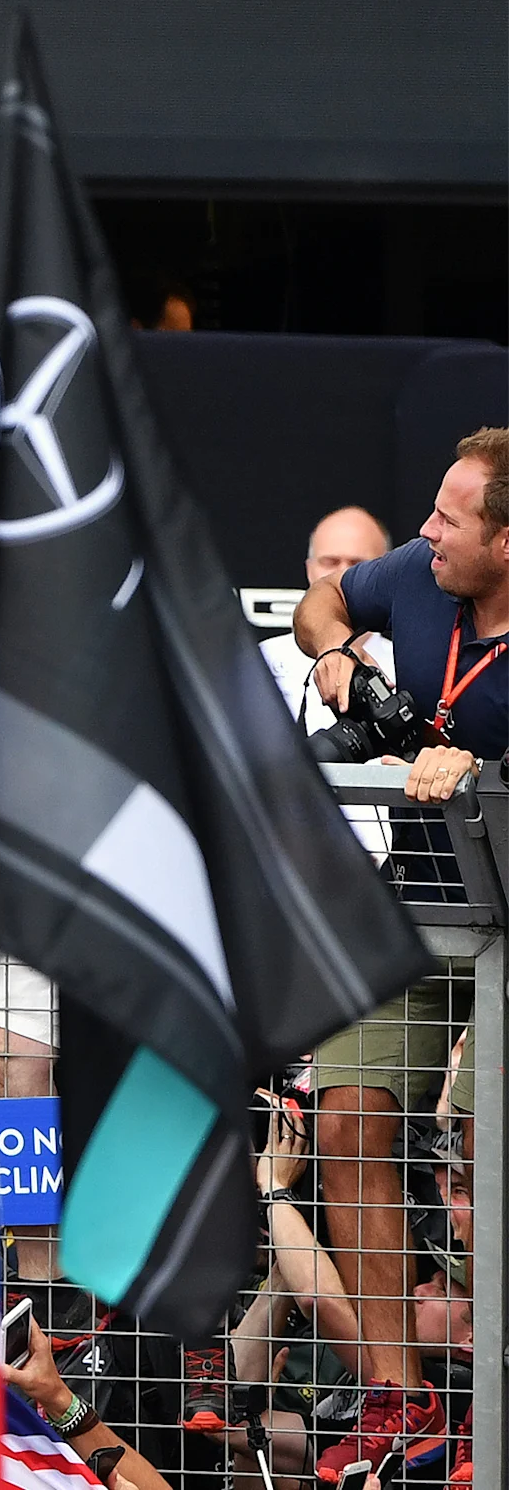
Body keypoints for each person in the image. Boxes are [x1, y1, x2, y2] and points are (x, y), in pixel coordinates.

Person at [281, 426, 506, 1480]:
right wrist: (333, 652)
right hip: (421, 909)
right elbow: (313, 605)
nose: (423, 533)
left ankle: (488, 1399)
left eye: (448, 519)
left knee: (479, 1156)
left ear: (505, 544)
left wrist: (483, 770)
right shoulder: (415, 577)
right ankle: (396, 1397)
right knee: (344, 1119)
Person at [261, 506, 396, 852]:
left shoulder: (410, 664)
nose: (343, 577)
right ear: (309, 569)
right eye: (330, 562)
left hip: (391, 872)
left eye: (358, 564)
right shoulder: (257, 663)